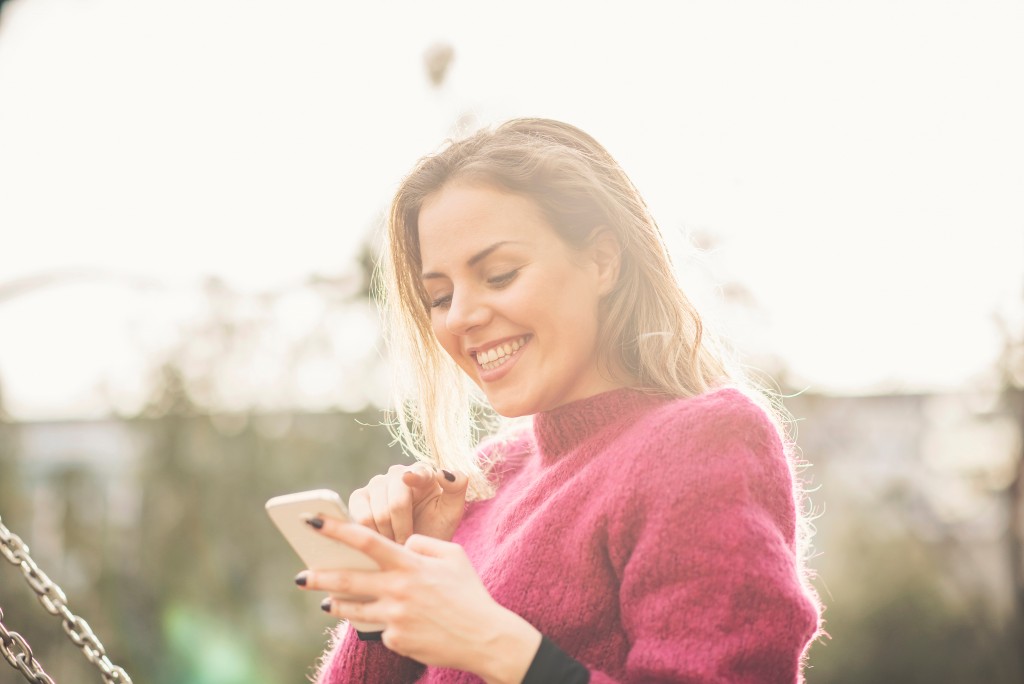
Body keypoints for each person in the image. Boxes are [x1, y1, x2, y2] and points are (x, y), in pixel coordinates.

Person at [294, 118, 822, 683]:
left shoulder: (701, 443)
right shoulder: (486, 481)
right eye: (440, 296)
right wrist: (382, 599)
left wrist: (500, 647)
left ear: (602, 261)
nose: (463, 316)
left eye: (499, 275)